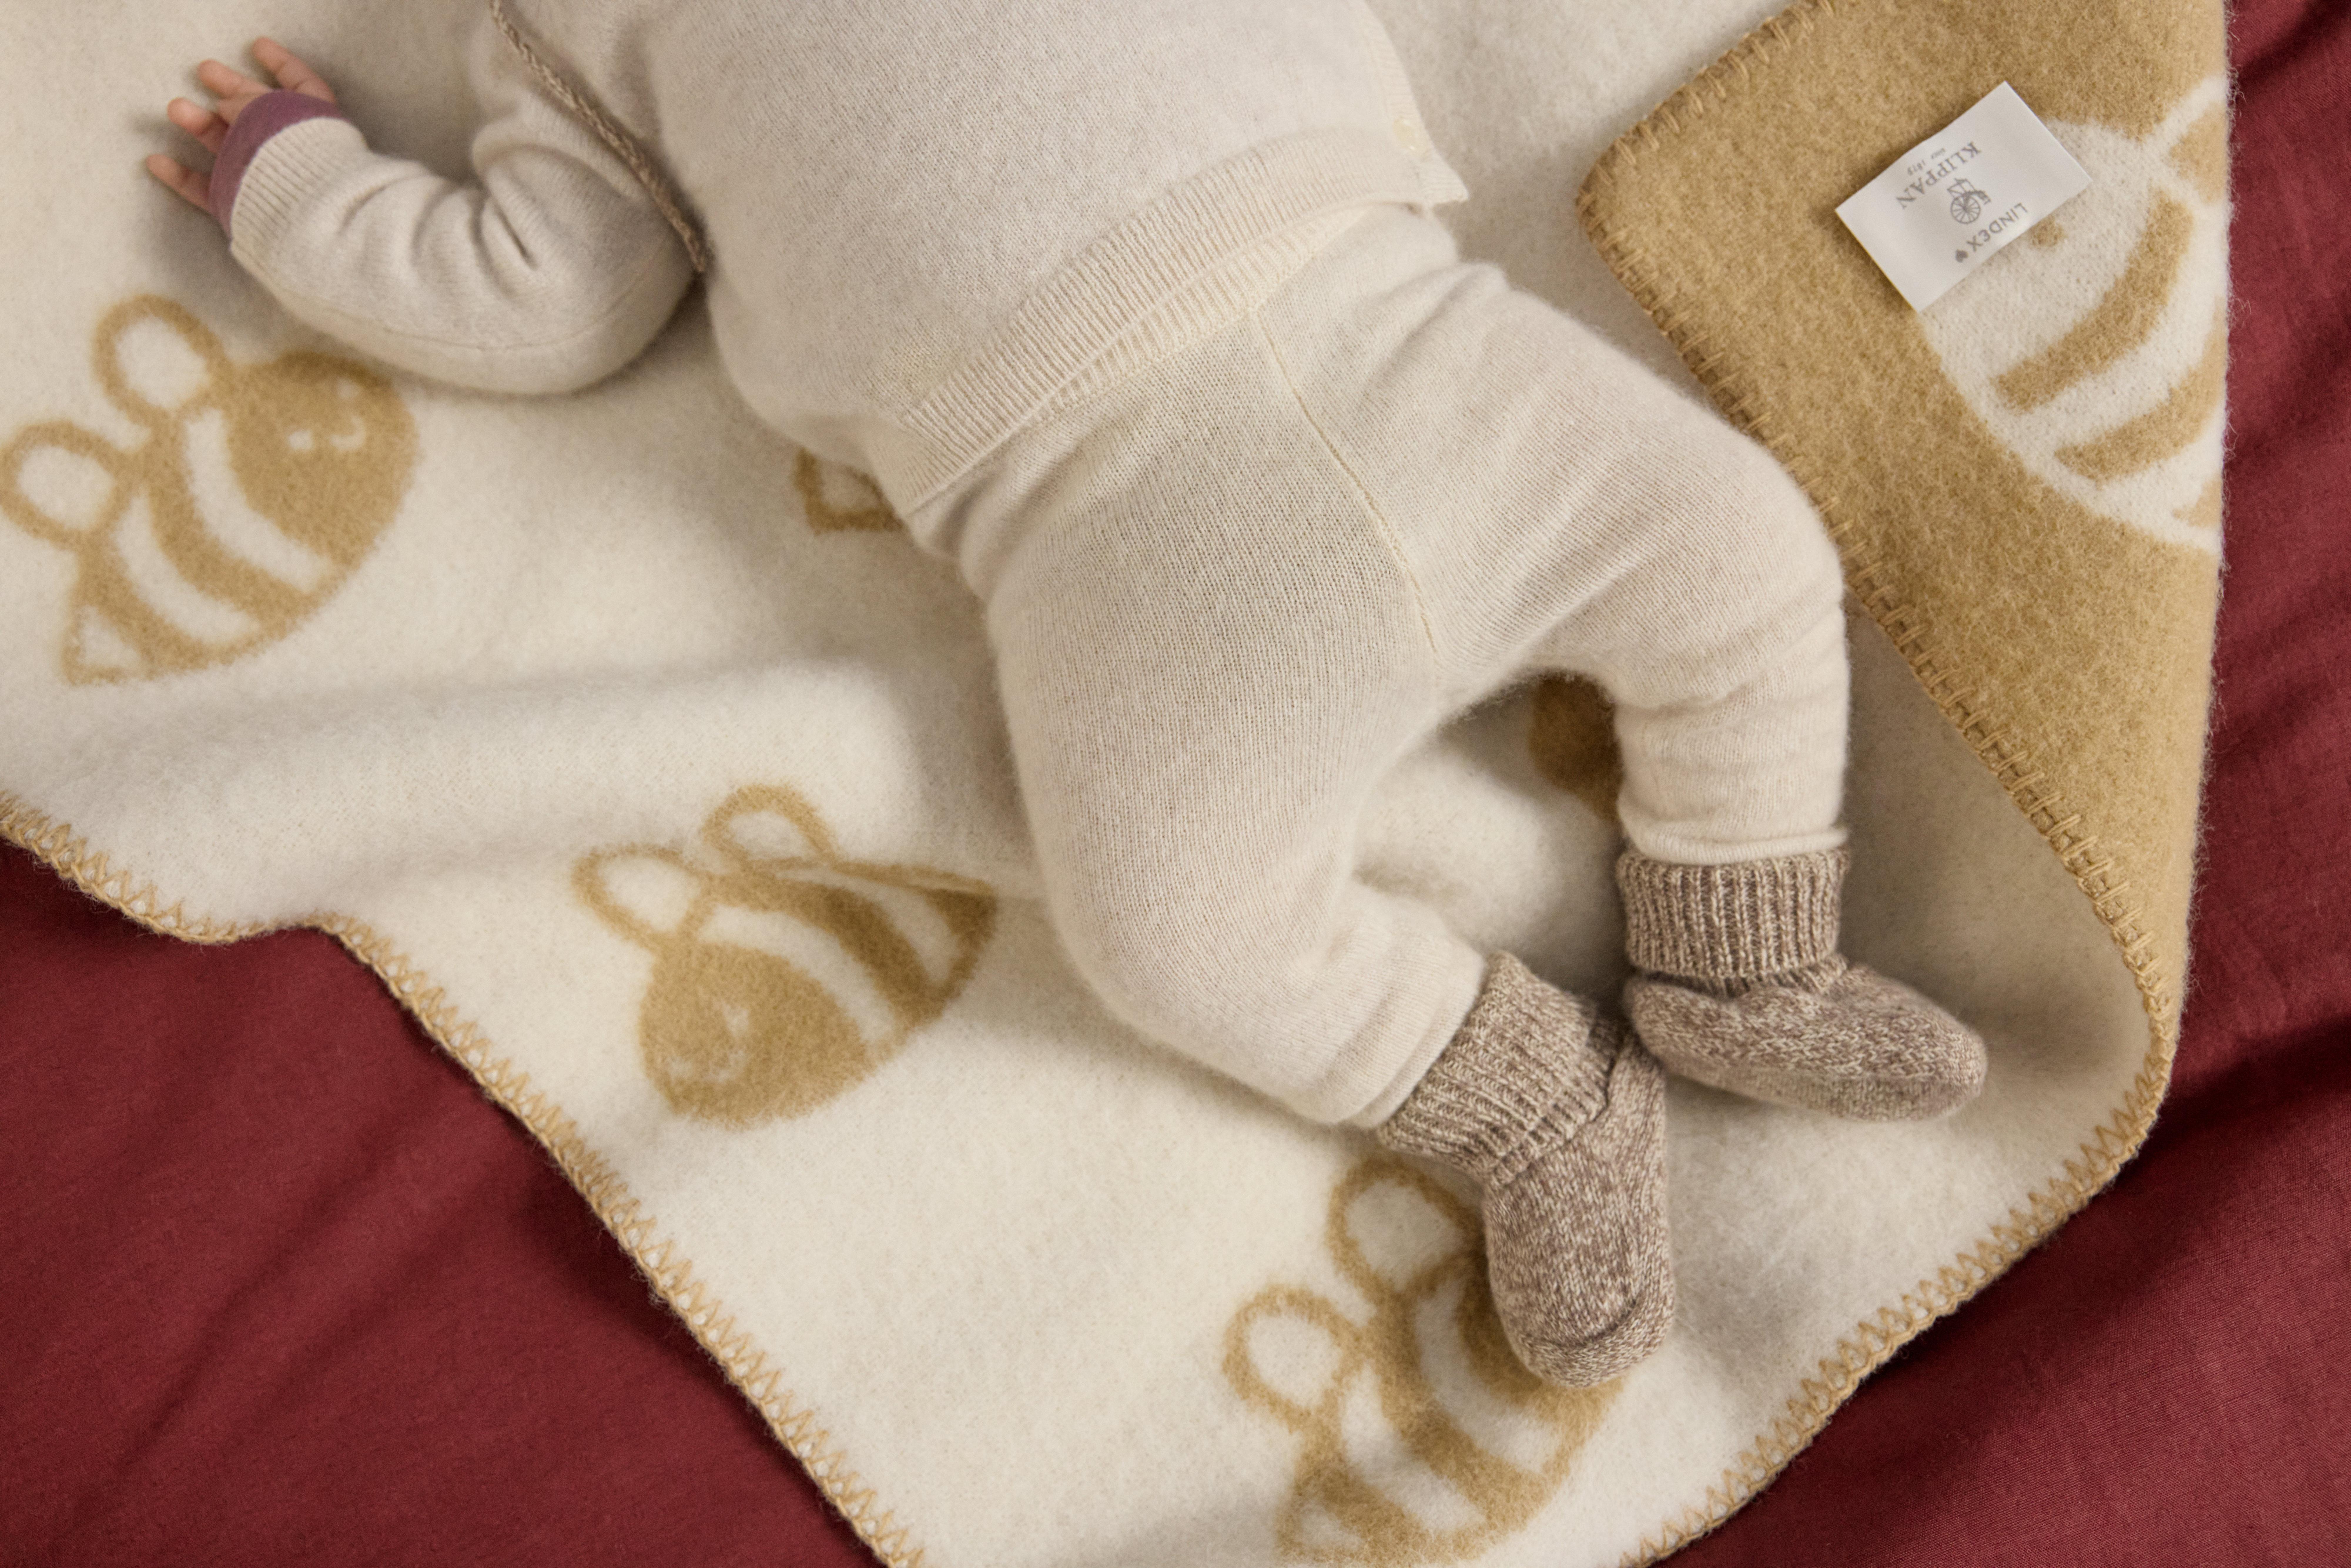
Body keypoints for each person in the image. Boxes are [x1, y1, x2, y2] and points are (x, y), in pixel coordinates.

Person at [147, 8, 1985, 1388]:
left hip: (1402, 323)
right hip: (1105, 528)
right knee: (1174, 930)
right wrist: (299, 188)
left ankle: (1745, 951)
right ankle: (1528, 1100)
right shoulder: (574, 37)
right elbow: (544, 294)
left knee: (1741, 552)